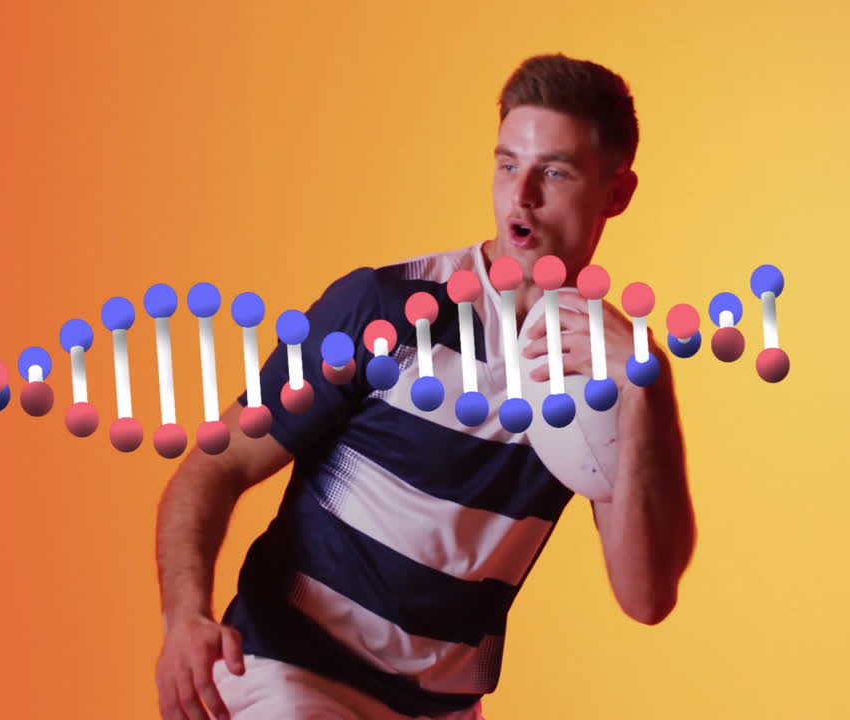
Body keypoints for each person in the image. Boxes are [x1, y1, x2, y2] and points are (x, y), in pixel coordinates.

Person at [155, 52, 697, 720]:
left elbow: (646, 597)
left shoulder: (603, 372)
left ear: (617, 193)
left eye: (554, 172)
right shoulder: (384, 307)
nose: (520, 196)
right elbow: (218, 461)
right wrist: (184, 619)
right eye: (506, 165)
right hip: (289, 677)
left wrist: (648, 382)